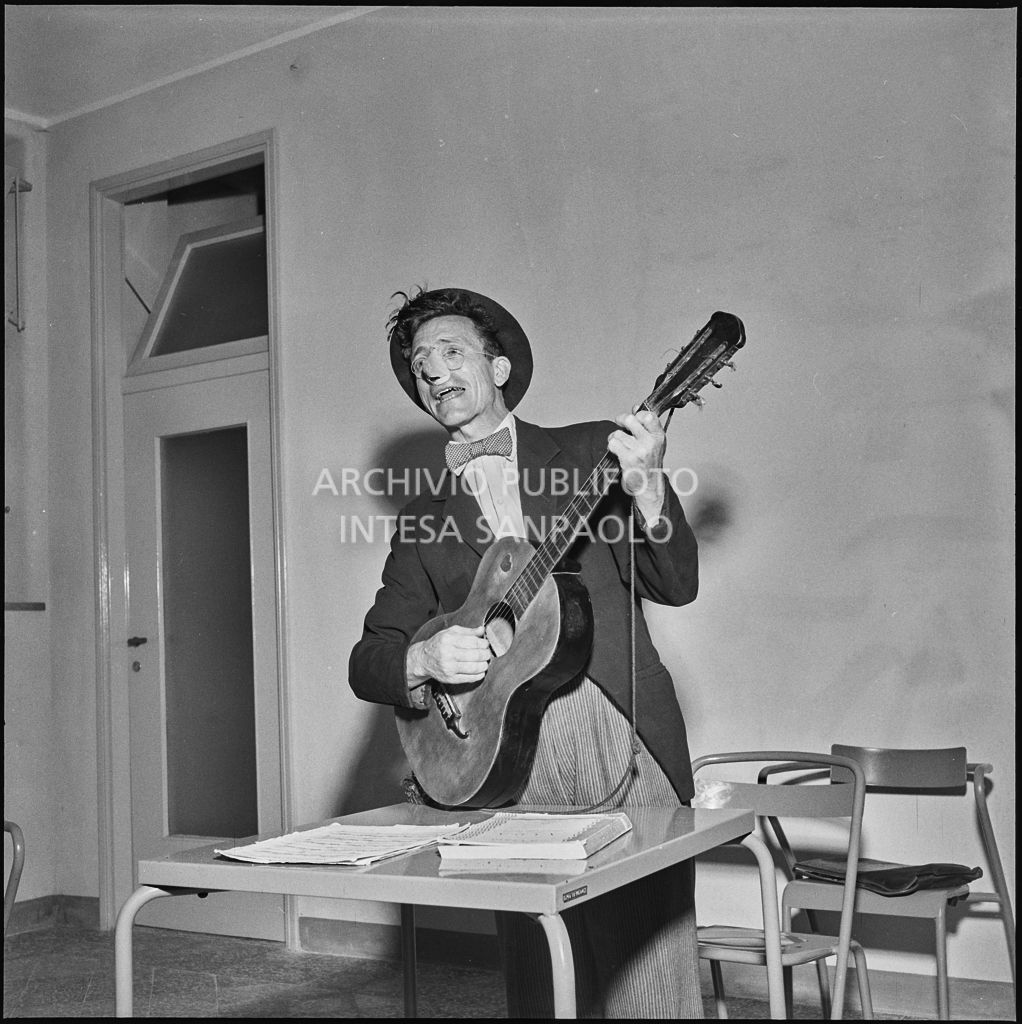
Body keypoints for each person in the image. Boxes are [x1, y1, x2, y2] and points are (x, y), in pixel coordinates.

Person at [348, 287, 703, 1018]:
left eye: (451, 351)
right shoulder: (424, 521)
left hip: (621, 728)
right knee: (545, 976)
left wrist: (649, 490)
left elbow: (677, 583)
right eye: (420, 365)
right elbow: (371, 657)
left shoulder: (588, 451)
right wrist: (425, 661)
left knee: (650, 973)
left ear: (499, 366)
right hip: (509, 754)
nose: (434, 372)